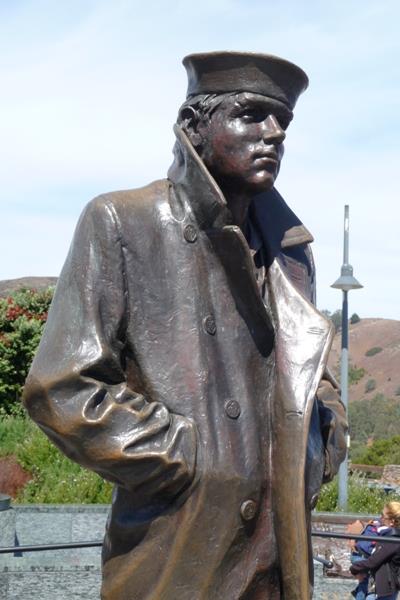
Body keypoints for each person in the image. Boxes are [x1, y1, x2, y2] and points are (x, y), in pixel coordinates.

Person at [23, 52, 347, 599]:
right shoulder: (123, 222)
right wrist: (189, 459)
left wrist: (319, 448)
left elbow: (319, 385)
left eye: (283, 122)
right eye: (251, 115)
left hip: (279, 559)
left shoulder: (292, 255)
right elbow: (62, 386)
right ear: (195, 126)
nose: (273, 133)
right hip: (178, 552)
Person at [350, 502, 400, 600]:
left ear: (392, 521)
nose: (380, 519)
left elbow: (373, 561)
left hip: (386, 589)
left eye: (383, 516)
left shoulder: (392, 540)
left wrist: (354, 568)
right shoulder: (389, 537)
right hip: (384, 587)